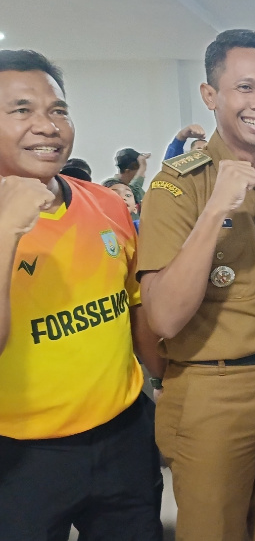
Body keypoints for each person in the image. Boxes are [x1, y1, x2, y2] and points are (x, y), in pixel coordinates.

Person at [137, 29, 255, 541]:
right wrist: (216, 210)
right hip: (210, 390)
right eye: (245, 88)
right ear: (211, 96)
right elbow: (162, 317)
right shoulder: (177, 186)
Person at [0, 49, 164, 540]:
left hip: (123, 433)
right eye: (22, 110)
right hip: (21, 455)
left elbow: (135, 308)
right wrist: (7, 229)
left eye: (58, 110)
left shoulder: (107, 203)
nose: (47, 126)